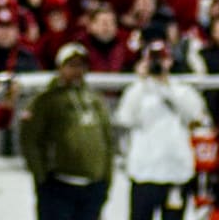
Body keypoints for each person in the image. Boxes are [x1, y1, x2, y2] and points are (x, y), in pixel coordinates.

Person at [115, 39, 209, 220]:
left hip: (176, 173)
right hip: (144, 173)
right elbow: (125, 117)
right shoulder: (136, 91)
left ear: (170, 61)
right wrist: (143, 82)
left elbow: (196, 115)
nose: (158, 64)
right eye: (154, 59)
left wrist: (165, 87)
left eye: (162, 59)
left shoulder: (182, 90)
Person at [19, 43, 114, 220]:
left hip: (92, 186)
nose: (77, 71)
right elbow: (30, 139)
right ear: (60, 67)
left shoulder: (95, 100)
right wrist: (41, 178)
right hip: (59, 184)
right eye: (71, 65)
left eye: (81, 65)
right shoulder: (46, 100)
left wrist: (106, 179)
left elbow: (107, 140)